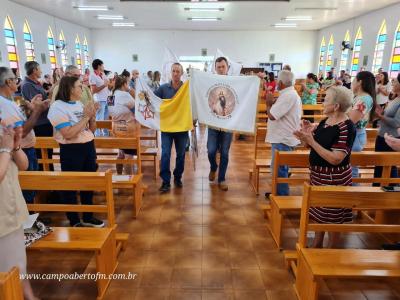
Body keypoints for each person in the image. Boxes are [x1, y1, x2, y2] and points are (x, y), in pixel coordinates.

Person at [294, 86, 356, 248]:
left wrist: (312, 141)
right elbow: (312, 146)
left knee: (333, 218)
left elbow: (336, 158)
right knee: (319, 213)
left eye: (326, 100)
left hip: (335, 179)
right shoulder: (325, 121)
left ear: (336, 106)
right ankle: (317, 243)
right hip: (318, 176)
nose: (322, 103)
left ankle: (333, 251)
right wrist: (306, 135)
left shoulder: (346, 127)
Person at [47, 76, 104, 228]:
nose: (83, 88)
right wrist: (86, 117)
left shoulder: (78, 103)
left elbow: (90, 130)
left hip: (87, 146)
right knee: (71, 186)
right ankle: (74, 220)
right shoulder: (57, 107)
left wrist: (92, 117)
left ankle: (88, 216)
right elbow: (68, 133)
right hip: (72, 150)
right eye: (80, 86)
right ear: (70, 89)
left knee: (88, 184)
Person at [0, 125, 39, 300]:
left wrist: (15, 146)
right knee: (8, 272)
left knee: (18, 263)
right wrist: (6, 150)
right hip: (2, 217)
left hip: (13, 209)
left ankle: (29, 297)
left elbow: (24, 165)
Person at [0, 67, 49, 203]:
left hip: (24, 148)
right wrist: (37, 111)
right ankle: (28, 220)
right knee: (26, 187)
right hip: (20, 151)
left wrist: (31, 108)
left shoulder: (11, 100)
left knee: (29, 186)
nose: (17, 81)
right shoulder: (5, 104)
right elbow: (22, 132)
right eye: (15, 79)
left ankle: (31, 217)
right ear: (9, 82)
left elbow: (20, 121)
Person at [265, 70, 302, 197]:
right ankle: (278, 191)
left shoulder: (288, 95)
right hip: (283, 137)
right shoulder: (289, 94)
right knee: (278, 168)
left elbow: (272, 115)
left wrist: (268, 103)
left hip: (283, 139)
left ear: (280, 83)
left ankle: (281, 196)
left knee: (280, 170)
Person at [154, 63, 188, 193]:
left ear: (181, 73)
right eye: (173, 71)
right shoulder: (163, 88)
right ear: (170, 72)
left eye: (178, 71)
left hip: (181, 128)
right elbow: (152, 99)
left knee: (181, 154)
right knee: (166, 154)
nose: (175, 73)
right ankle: (165, 181)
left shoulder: (185, 89)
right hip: (167, 128)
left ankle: (178, 177)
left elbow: (191, 104)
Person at [21, 61, 53, 173]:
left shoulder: (35, 83)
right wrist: (49, 99)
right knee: (42, 153)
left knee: (48, 152)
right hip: (39, 123)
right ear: (34, 70)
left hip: (45, 120)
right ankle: (45, 179)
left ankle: (50, 176)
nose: (41, 71)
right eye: (39, 69)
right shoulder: (27, 85)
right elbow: (37, 106)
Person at [207, 57, 233, 191]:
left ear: (228, 67)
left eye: (223, 66)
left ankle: (222, 178)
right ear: (215, 68)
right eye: (219, 67)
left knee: (224, 152)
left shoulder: (235, 82)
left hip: (228, 124)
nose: (221, 69)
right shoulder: (211, 81)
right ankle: (213, 167)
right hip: (213, 123)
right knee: (211, 151)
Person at [107, 75, 138, 174]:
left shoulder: (110, 95)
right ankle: (129, 179)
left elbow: (110, 112)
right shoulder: (125, 95)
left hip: (116, 128)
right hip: (127, 128)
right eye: (127, 84)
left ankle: (119, 175)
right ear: (124, 84)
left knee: (121, 153)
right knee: (129, 155)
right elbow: (136, 109)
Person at [373, 73, 400, 184]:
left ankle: (389, 192)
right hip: (383, 135)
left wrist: (380, 116)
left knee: (389, 166)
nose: (392, 83)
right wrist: (381, 112)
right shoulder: (395, 98)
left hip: (390, 139)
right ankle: (376, 191)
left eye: (395, 81)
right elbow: (390, 116)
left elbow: (396, 123)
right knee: (379, 165)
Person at [349, 71, 376, 180]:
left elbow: (352, 120)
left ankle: (353, 195)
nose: (352, 82)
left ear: (360, 82)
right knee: (349, 167)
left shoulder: (364, 99)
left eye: (354, 79)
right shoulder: (359, 97)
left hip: (355, 134)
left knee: (352, 169)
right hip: (353, 133)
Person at [89, 59, 109, 136]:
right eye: (102, 65)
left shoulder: (102, 74)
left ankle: (106, 134)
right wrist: (104, 85)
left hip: (107, 98)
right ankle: (98, 135)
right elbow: (93, 90)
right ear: (99, 66)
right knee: (99, 118)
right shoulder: (92, 75)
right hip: (100, 99)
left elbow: (107, 84)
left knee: (106, 119)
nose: (103, 66)